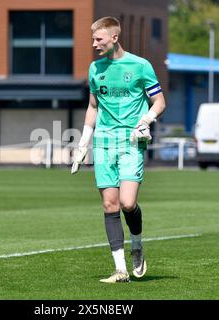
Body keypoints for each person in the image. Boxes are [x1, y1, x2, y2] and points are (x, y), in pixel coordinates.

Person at [71, 16, 167, 283]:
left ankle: (137, 244)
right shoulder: (95, 69)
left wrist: (146, 121)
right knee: (109, 204)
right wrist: (82, 144)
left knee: (127, 203)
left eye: (98, 39)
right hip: (103, 142)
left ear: (114, 38)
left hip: (131, 142)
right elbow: (93, 106)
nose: (94, 44)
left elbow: (159, 102)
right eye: (92, 39)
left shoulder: (140, 66)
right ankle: (120, 270)